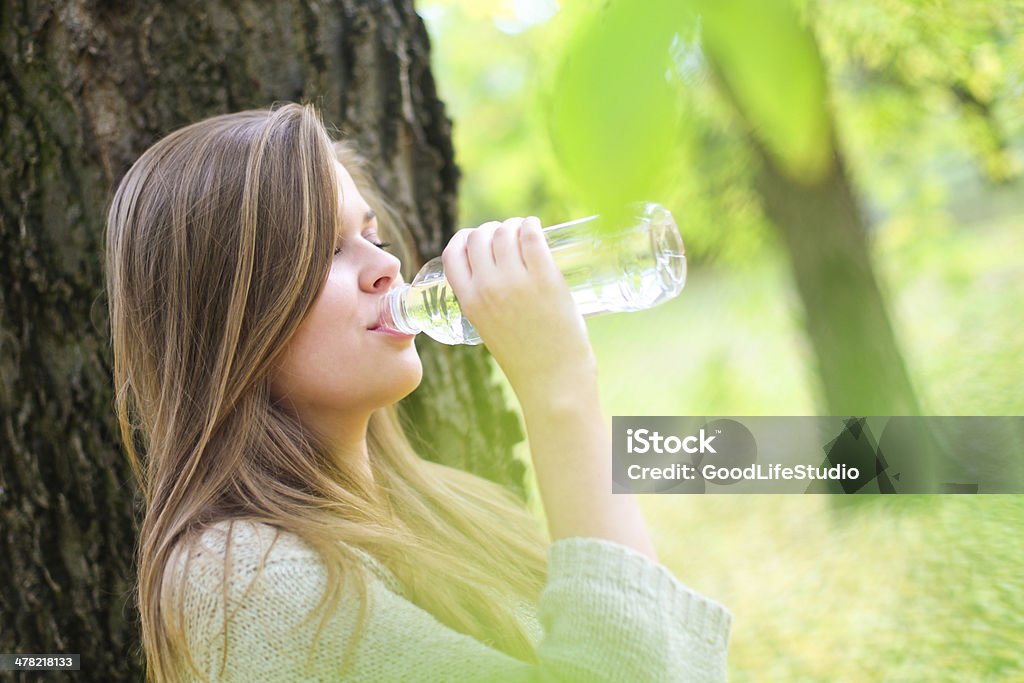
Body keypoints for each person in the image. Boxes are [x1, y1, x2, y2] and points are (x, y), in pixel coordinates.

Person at [105, 102, 731, 682]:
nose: (387, 267)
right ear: (225, 318)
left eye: (372, 238)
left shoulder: (459, 507)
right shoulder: (235, 579)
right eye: (325, 250)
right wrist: (560, 393)